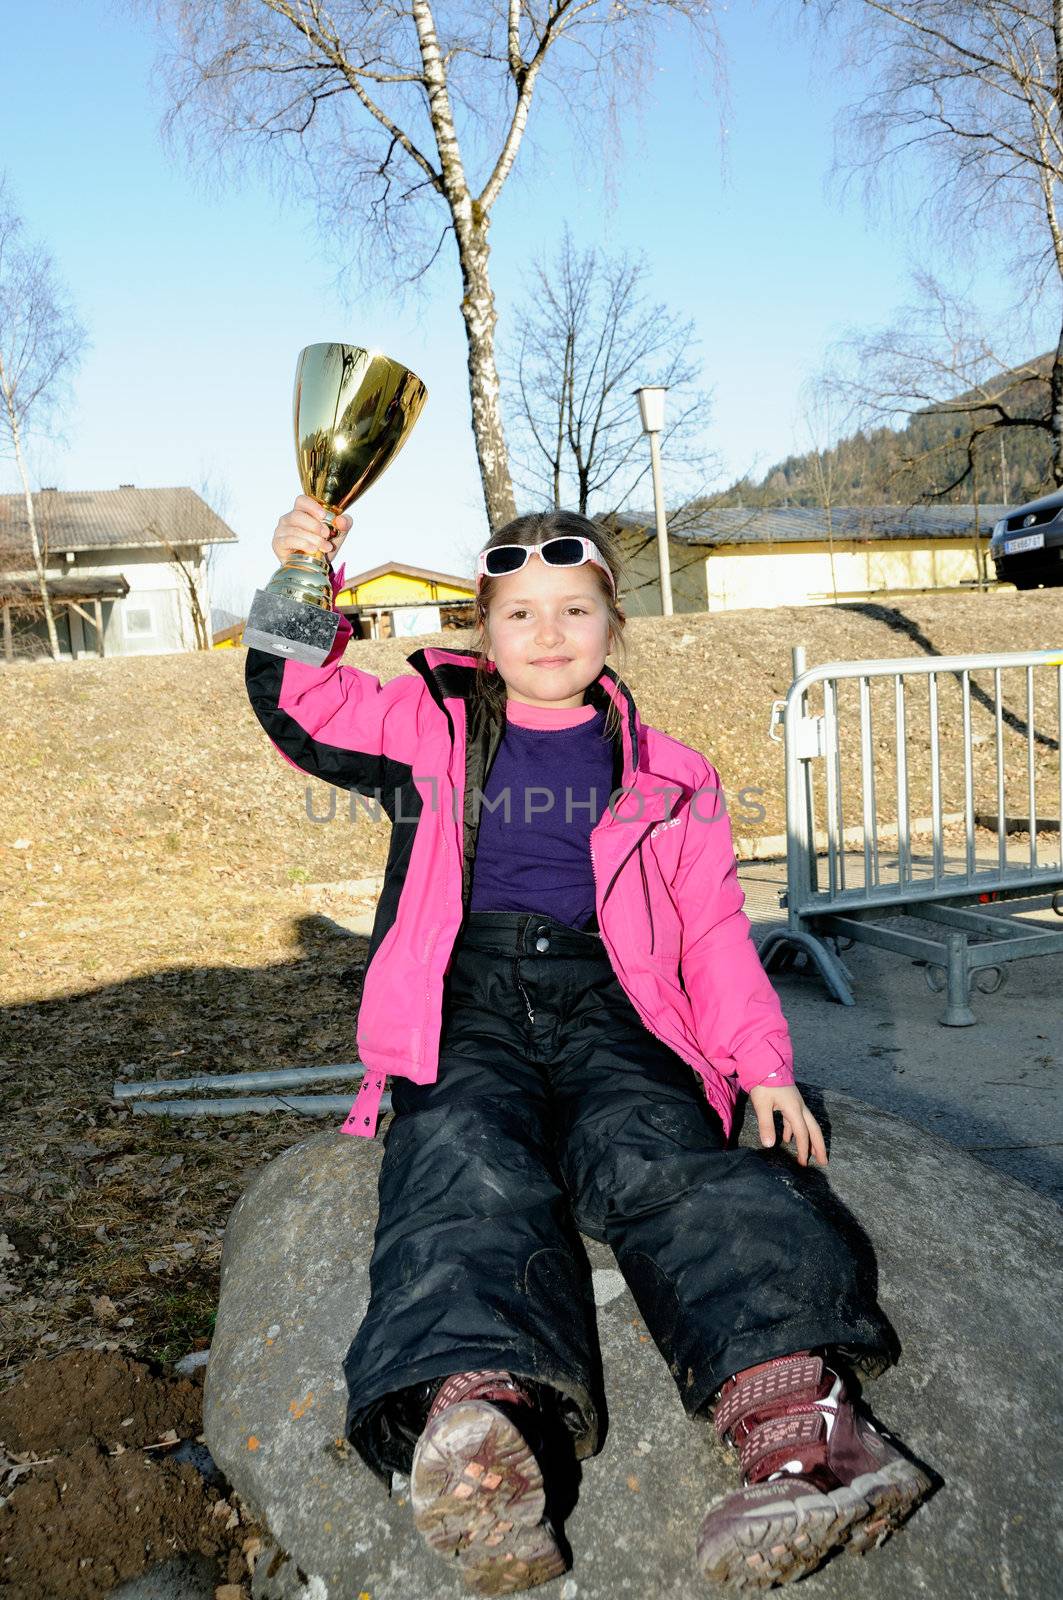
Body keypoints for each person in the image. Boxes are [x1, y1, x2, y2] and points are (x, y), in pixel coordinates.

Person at [245, 499, 931, 1596]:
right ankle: (484, 1438)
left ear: (615, 620)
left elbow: (710, 932)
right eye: (519, 611)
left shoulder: (671, 771)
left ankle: (804, 1426)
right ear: (485, 627)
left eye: (575, 607)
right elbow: (299, 699)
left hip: (612, 998)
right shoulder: (434, 720)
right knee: (462, 1154)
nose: (548, 630)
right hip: (465, 996)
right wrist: (297, 581)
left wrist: (760, 1063)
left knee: (664, 1147)